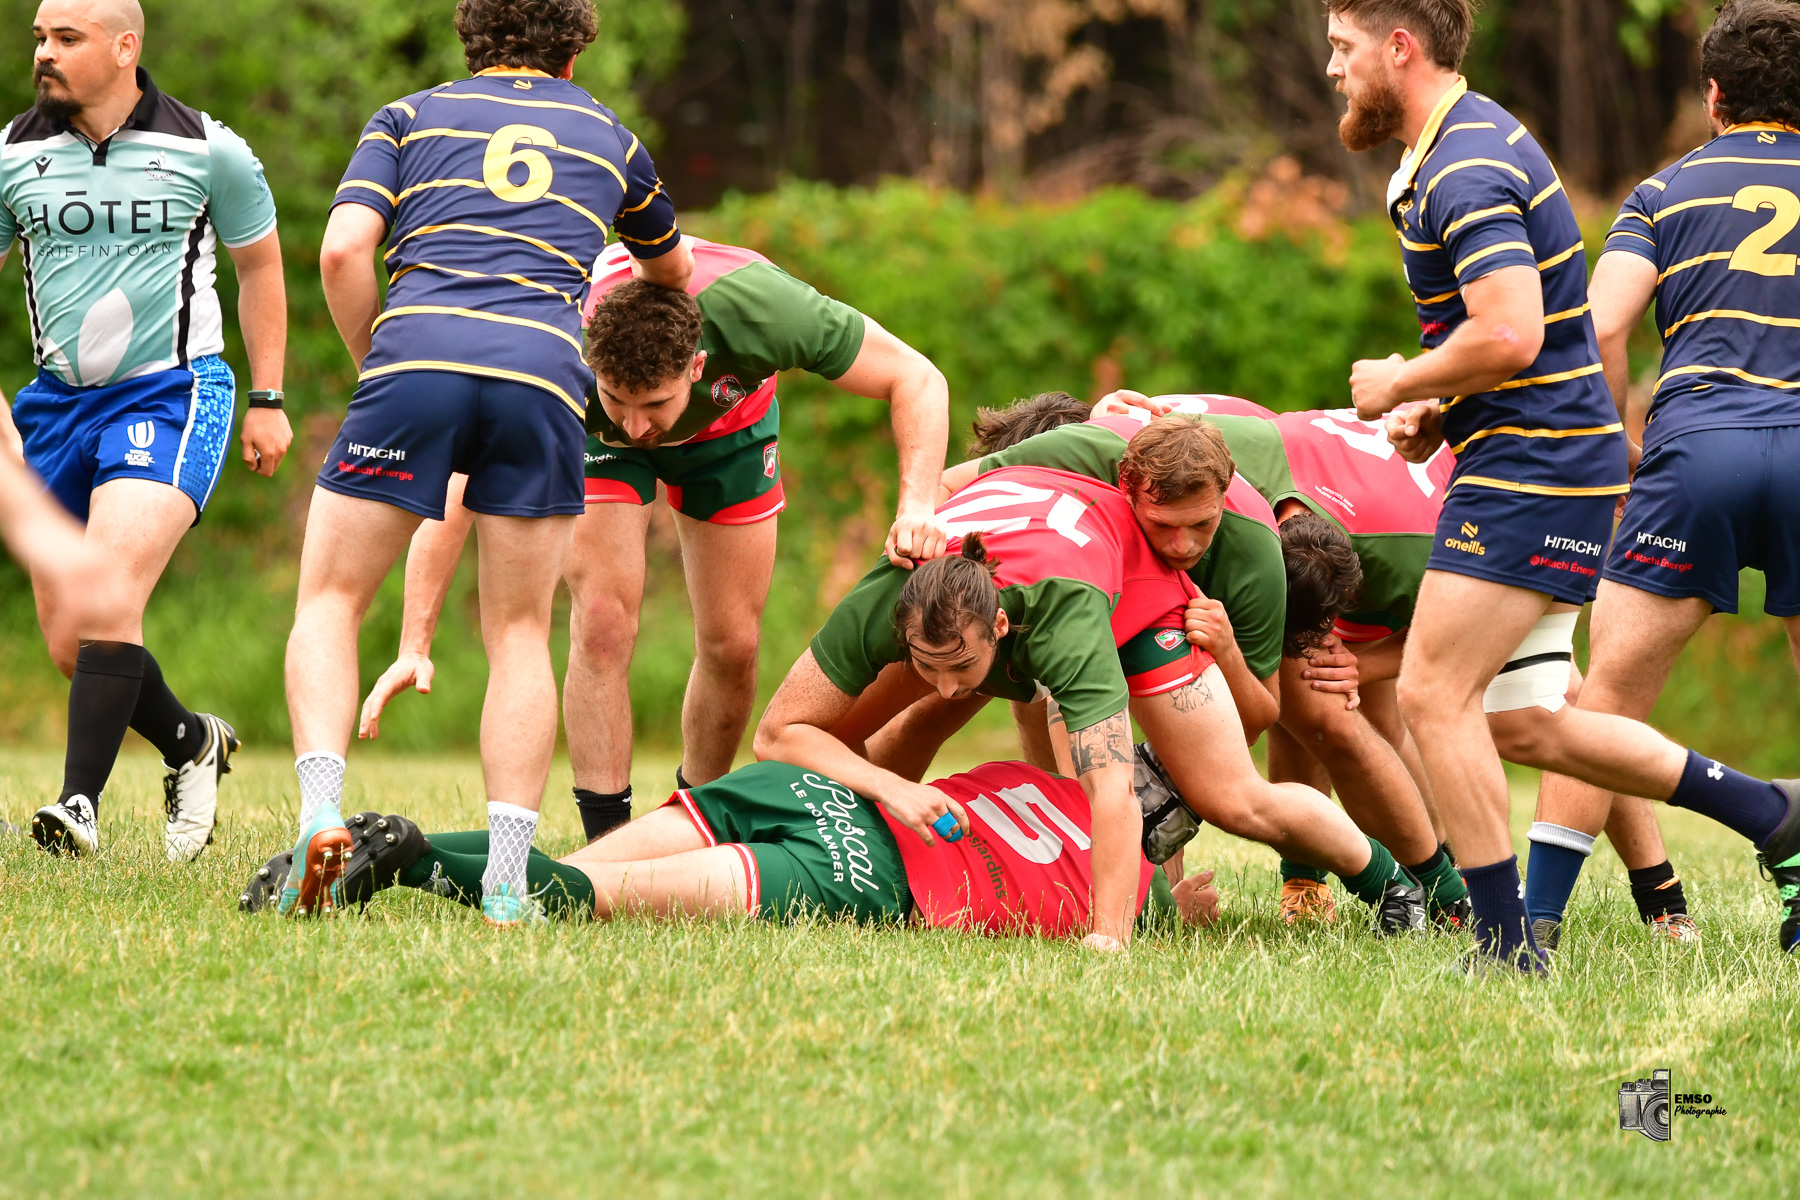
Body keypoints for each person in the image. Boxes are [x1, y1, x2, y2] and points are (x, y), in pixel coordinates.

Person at [1327, 0, 1800, 969]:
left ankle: (1508, 941)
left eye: (1343, 46)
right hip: (1555, 454)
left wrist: (1402, 382)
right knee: (1528, 720)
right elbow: (1524, 337)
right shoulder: (1458, 146)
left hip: (1544, 464)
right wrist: (1445, 405)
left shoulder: (1472, 165)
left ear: (1399, 48)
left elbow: (1525, 330)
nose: (1333, 67)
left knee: (1437, 692)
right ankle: (1771, 812)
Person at [281, 0, 693, 924]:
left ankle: (320, 818)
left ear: (469, 39)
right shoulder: (612, 139)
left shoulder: (408, 116)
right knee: (518, 633)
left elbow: (343, 249)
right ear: (576, 51)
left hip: (415, 356)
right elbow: (670, 271)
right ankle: (507, 881)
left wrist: (375, 359)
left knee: (332, 600)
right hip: (542, 377)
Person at [362, 235, 950, 843]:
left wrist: (916, 505)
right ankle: (608, 840)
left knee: (732, 645)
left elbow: (916, 377)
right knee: (602, 619)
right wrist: (414, 643)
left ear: (696, 365)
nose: (638, 425)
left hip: (729, 429)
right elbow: (458, 486)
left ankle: (695, 823)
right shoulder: (553, 344)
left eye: (655, 404)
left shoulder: (765, 309)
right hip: (595, 440)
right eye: (618, 398)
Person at [754, 447, 1428, 951]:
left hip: (1136, 598)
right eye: (927, 663)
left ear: (1002, 629)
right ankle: (848, 849)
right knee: (900, 718)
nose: (950, 685)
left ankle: (1389, 880)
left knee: (1231, 797)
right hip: (1031, 556)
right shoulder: (890, 594)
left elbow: (1110, 788)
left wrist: (1107, 941)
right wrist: (888, 787)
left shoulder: (1067, 624)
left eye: (962, 667)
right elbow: (778, 732)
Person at [1523, 0, 1800, 954]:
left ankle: (1536, 928)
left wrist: (1615, 440)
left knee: (1604, 701)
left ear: (1715, 95)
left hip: (1697, 446)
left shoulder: (1663, 192)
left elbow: (1600, 327)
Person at [2, 0, 289, 860]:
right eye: (40, 39)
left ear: (125, 47)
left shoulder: (209, 148)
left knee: (109, 596)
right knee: (72, 643)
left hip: (171, 393)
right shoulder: (12, 152)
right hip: (53, 407)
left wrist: (269, 396)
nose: (45, 54)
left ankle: (77, 805)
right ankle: (191, 741)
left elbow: (259, 266)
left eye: (66, 39)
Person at [238, 757, 1225, 938]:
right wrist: (1175, 905)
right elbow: (1114, 895)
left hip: (813, 792)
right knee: (589, 904)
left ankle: (357, 837)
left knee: (577, 872)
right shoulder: (1135, 889)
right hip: (864, 874)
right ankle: (411, 857)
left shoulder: (1030, 772)